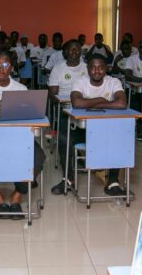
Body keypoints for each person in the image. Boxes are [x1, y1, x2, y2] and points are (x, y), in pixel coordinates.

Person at [0, 51, 46, 217]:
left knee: (38, 157)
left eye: (5, 65)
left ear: (11, 68)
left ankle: (17, 195)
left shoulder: (21, 88)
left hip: (17, 138)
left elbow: (29, 115)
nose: (1, 69)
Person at [51, 54, 128, 196]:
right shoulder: (80, 82)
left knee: (122, 135)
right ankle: (68, 179)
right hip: (83, 130)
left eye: (101, 68)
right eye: (93, 67)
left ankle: (112, 181)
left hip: (106, 131)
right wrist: (100, 99)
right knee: (63, 134)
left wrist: (92, 103)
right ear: (87, 69)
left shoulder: (113, 82)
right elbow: (77, 103)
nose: (97, 71)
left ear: (106, 69)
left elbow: (122, 103)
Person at [48, 40, 88, 194]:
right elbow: (52, 95)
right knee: (64, 138)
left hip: (88, 109)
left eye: (77, 49)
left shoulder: (88, 67)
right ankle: (68, 177)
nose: (74, 52)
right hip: (66, 110)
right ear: (64, 53)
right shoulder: (58, 69)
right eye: (70, 50)